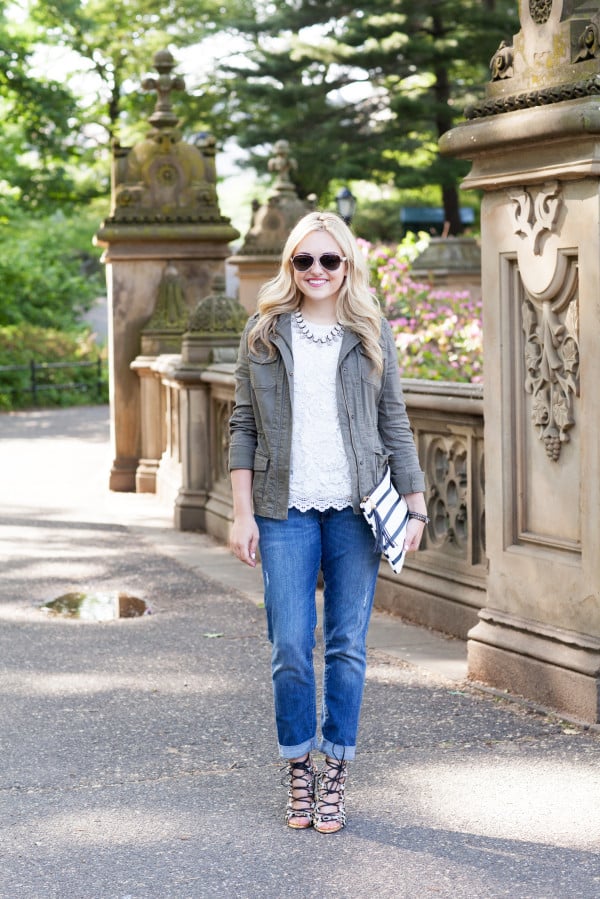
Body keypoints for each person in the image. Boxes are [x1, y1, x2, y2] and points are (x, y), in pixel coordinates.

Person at [228, 210, 427, 833]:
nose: (317, 271)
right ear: (290, 267)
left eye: (329, 260)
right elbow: (241, 426)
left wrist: (415, 501)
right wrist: (241, 514)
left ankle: (335, 769)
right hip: (281, 506)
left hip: (359, 507)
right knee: (290, 643)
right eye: (304, 261)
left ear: (348, 266)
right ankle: (298, 768)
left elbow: (395, 420)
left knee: (347, 647)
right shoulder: (263, 334)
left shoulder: (371, 332)